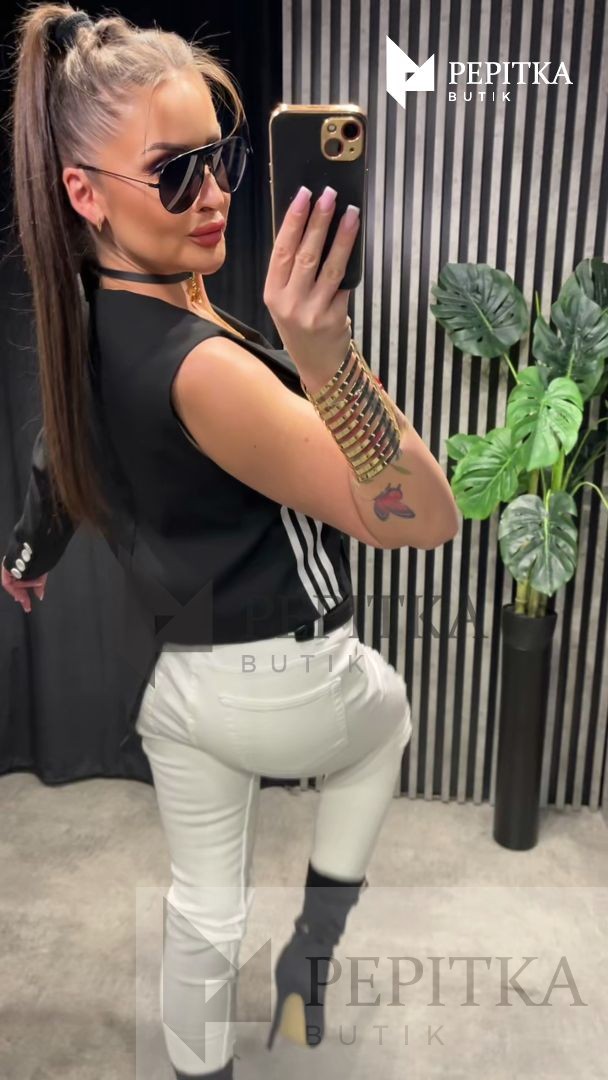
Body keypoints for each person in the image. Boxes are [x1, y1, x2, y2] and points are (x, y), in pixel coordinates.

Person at [1, 5, 460, 1078]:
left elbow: (52, 465)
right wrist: (325, 355)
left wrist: (26, 561)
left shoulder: (83, 324)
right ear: (85, 194)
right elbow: (420, 516)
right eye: (175, 173)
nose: (213, 195)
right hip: (285, 682)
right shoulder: (201, 368)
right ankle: (313, 956)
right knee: (387, 716)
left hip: (179, 689)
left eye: (223, 159)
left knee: (202, 909)